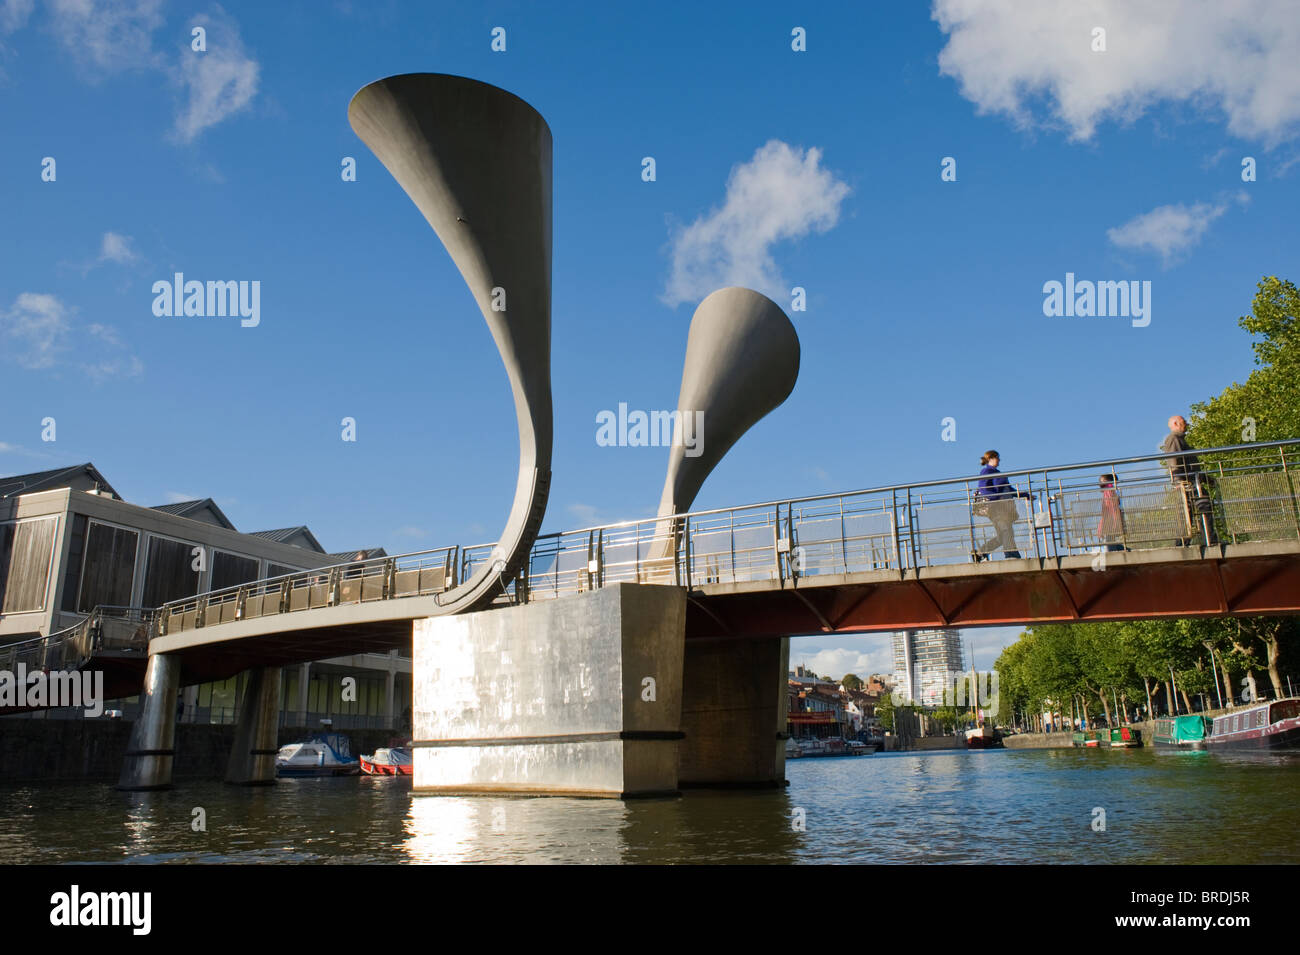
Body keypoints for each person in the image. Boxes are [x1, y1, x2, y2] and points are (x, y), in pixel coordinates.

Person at [1161, 415, 1218, 545]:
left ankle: (1186, 542)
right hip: (1187, 483)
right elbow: (1174, 460)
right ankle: (1206, 540)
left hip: (1192, 481)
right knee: (1199, 508)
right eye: (1183, 421)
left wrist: (1207, 479)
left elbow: (1190, 465)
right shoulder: (1173, 439)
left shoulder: (1180, 440)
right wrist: (1178, 481)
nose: (1186, 423)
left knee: (1190, 512)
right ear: (1175, 423)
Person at [972, 450, 1031, 561]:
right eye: (997, 457)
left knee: (1003, 534)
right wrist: (997, 498)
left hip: (1004, 508)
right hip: (996, 508)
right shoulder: (986, 471)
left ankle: (980, 553)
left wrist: (1025, 495)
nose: (999, 460)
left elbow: (1009, 489)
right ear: (991, 458)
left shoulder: (997, 472)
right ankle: (1012, 556)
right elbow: (983, 489)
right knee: (1006, 531)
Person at [1096, 473, 1126, 551]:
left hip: (1110, 522)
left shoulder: (1109, 491)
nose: (1100, 483)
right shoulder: (1111, 491)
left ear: (1108, 481)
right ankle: (1128, 551)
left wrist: (1103, 525)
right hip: (1112, 520)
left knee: (1109, 546)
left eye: (1102, 481)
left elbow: (1110, 509)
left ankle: (1127, 551)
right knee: (1111, 543)